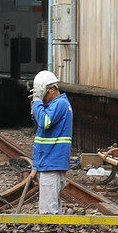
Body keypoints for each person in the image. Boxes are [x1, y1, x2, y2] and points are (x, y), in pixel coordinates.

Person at [29, 68, 73, 214]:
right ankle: (53, 231)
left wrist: (36, 103)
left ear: (52, 90)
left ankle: (49, 231)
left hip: (52, 162)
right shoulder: (55, 105)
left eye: (42, 93)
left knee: (48, 209)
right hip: (49, 161)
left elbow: (44, 122)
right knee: (51, 203)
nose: (41, 97)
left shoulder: (59, 104)